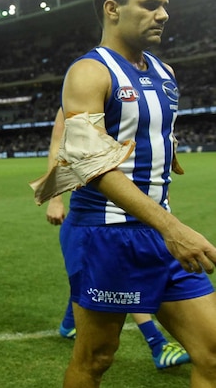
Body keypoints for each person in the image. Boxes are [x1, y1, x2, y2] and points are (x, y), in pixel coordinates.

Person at [30, 0, 216, 387]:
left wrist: (165, 152)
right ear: (112, 9)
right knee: (95, 359)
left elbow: (148, 129)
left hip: (158, 232)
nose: (163, 15)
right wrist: (172, 227)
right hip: (106, 236)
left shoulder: (165, 73)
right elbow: (89, 165)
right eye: (150, 5)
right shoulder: (89, 72)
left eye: (164, 5)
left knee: (212, 350)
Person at [41, 108, 191, 369]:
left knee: (98, 279)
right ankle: (157, 344)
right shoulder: (80, 96)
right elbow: (58, 146)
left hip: (138, 207)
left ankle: (68, 324)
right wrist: (55, 199)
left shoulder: (142, 94)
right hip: (99, 215)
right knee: (124, 279)